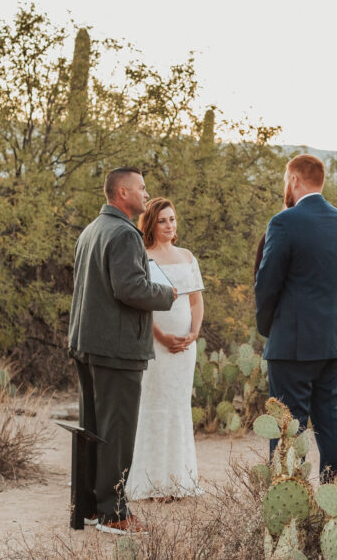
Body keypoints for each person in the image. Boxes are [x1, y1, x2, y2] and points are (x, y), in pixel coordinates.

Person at [67, 167, 177, 534]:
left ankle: (87, 508)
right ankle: (114, 515)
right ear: (122, 193)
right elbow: (131, 289)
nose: (147, 195)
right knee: (117, 432)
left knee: (92, 429)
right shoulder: (124, 233)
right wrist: (168, 293)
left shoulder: (91, 230)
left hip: (87, 344)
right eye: (141, 189)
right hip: (117, 349)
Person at [255, 154, 337, 482]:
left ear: (296, 181)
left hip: (292, 343)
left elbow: (267, 282)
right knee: (329, 419)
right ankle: (332, 493)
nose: (286, 187)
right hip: (334, 339)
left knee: (288, 424)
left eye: (287, 180)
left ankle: (288, 497)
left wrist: (267, 326)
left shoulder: (284, 222)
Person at [125, 198, 205, 500]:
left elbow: (196, 301)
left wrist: (193, 334)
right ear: (150, 224)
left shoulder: (187, 256)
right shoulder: (143, 256)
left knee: (178, 407)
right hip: (155, 343)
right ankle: (151, 482)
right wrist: (159, 335)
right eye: (162, 220)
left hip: (186, 346)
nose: (169, 225)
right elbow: (142, 305)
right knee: (154, 406)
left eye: (172, 219)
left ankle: (178, 481)